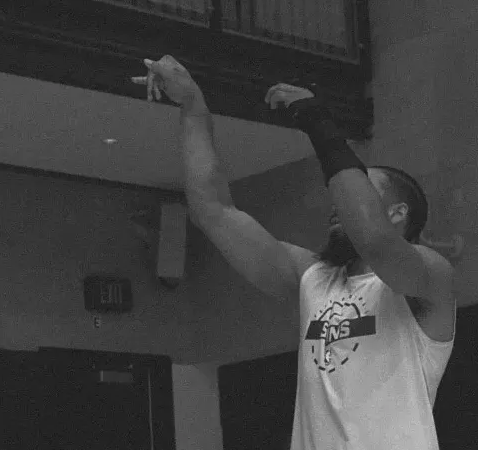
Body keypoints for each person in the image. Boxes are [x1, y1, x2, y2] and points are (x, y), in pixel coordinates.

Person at [133, 55, 457, 450]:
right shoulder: (312, 278)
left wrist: (319, 123)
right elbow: (214, 211)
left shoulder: (429, 277)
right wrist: (192, 106)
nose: (338, 203)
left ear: (397, 213)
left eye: (360, 192)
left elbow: (373, 240)